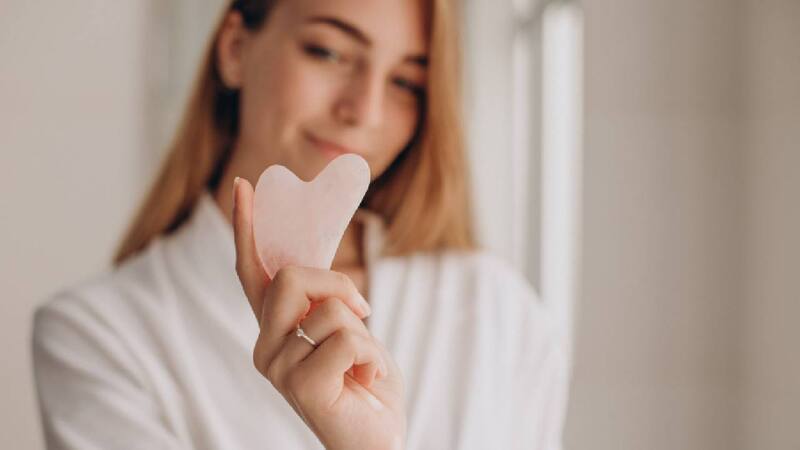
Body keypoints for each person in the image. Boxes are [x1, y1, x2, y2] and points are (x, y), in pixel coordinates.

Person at [31, 0, 569, 448]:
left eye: (406, 81)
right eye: (329, 52)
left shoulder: (501, 315)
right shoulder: (95, 335)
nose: (365, 110)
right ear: (235, 48)